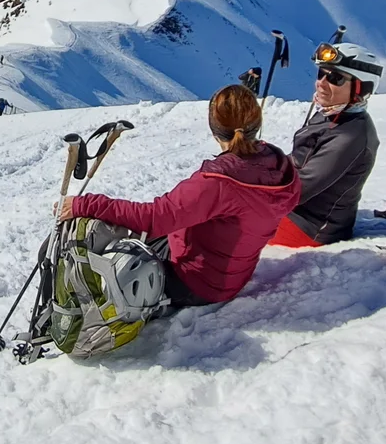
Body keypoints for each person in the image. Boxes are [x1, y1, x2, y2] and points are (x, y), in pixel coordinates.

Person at [57, 84, 299, 307]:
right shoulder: (279, 166)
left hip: (196, 282)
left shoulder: (220, 182)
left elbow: (154, 218)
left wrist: (83, 204)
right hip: (232, 274)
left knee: (103, 243)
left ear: (214, 130)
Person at [272, 42, 383, 247]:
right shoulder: (332, 115)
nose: (321, 83)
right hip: (295, 213)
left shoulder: (350, 136)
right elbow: (298, 162)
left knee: (220, 225)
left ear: (361, 87)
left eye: (335, 78)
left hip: (309, 227)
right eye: (321, 74)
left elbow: (299, 189)